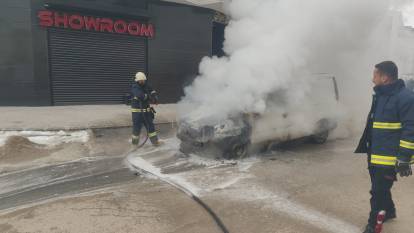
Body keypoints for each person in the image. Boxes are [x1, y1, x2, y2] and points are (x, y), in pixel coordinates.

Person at [355, 61, 414, 233]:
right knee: (379, 186)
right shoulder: (380, 95)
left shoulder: (406, 98)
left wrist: (404, 158)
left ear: (385, 77)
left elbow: (411, 130)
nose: (372, 79)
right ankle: (389, 211)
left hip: (389, 157)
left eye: (375, 75)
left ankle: (373, 225)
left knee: (378, 192)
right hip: (375, 153)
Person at [130, 72, 159, 146]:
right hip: (137, 114)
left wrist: (155, 96)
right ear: (137, 80)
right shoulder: (135, 87)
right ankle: (134, 144)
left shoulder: (146, 85)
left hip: (147, 112)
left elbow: (152, 90)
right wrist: (150, 97)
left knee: (151, 128)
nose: (142, 82)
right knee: (136, 130)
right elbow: (141, 96)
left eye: (143, 80)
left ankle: (155, 142)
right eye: (141, 80)